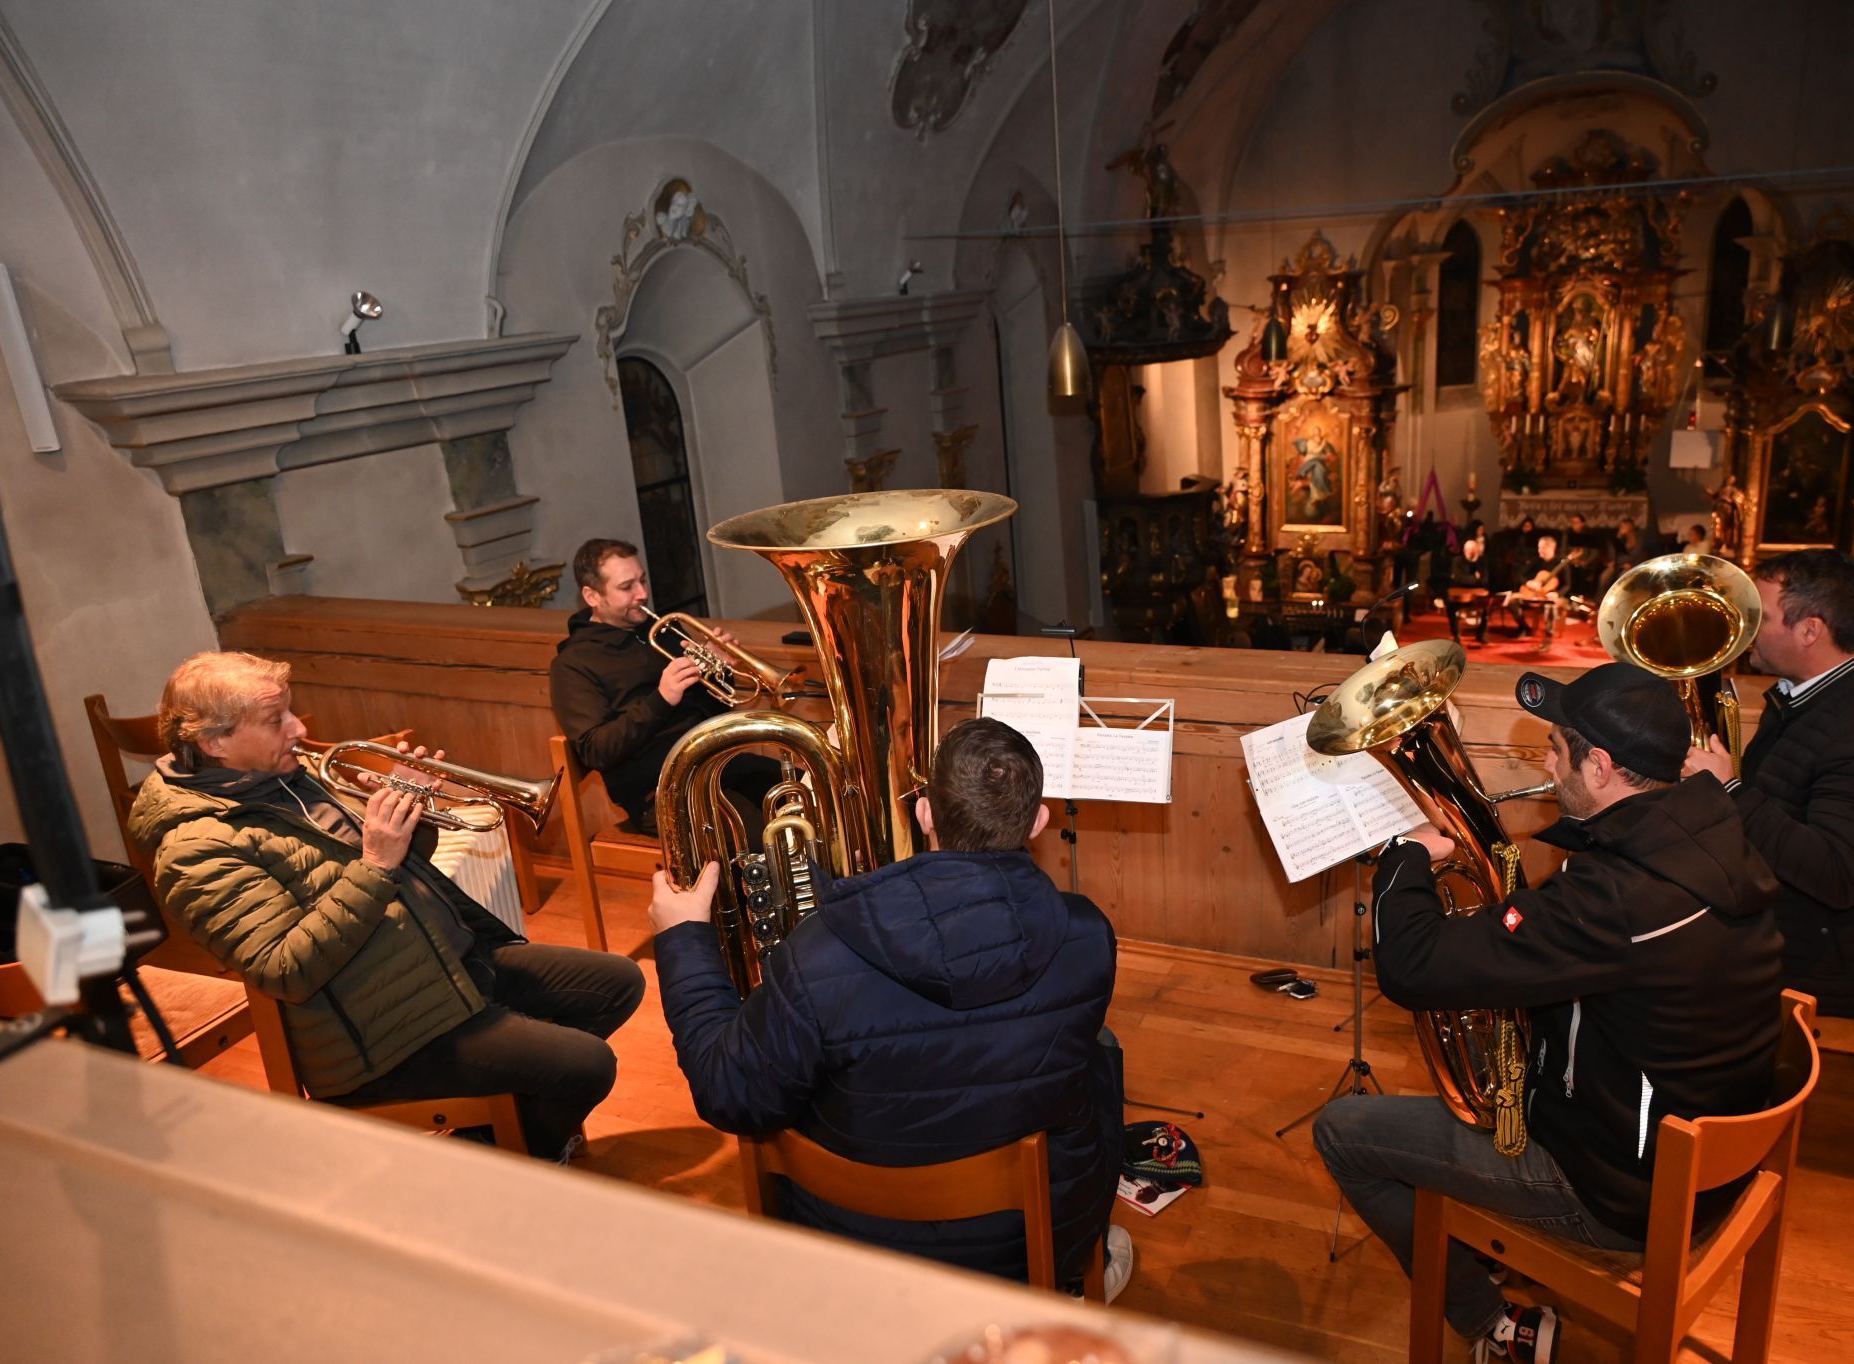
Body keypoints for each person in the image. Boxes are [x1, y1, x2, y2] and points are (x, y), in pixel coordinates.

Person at [1315, 662, 1781, 1362]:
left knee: (1344, 1132)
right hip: (1704, 1150)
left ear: (1600, 766)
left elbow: (1411, 969)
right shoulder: (1715, 824)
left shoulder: (1617, 898)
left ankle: (1489, 1324)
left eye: (1556, 748)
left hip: (1621, 1193)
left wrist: (1405, 857)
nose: (1545, 761)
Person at [648, 717, 1129, 1297]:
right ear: (1039, 820)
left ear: (923, 813)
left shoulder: (818, 949)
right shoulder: (1087, 934)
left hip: (852, 1235)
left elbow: (729, 1094)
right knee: (1101, 1057)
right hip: (1030, 1240)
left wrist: (683, 941)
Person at [128, 651, 645, 1161]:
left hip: (446, 963)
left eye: (289, 711)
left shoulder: (291, 773)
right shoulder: (193, 851)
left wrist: (409, 815)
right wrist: (374, 862)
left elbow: (405, 863)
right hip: (382, 1032)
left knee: (618, 983)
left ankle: (504, 1126)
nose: (298, 731)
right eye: (275, 720)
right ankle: (506, 1154)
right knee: (587, 1065)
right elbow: (284, 970)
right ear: (214, 741)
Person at [1683, 549, 1854, 1018]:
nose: (1742, 628)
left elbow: (1838, 877)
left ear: (1810, 630)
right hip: (1803, 926)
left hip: (1843, 966)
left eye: (1759, 616)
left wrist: (1730, 793)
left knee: (1648, 958)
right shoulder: (1813, 693)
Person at [550, 537, 776, 836]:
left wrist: (717, 672)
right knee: (751, 832)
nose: (642, 593)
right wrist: (662, 698)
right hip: (660, 791)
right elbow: (596, 750)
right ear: (592, 595)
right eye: (626, 586)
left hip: (716, 765)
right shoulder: (573, 664)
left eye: (642, 580)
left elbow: (715, 710)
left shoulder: (665, 630)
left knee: (805, 790)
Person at [1447, 536, 1494, 646]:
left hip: (1478, 594)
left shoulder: (1482, 561)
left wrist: (1469, 579)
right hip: (1459, 593)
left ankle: (1480, 635)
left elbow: (1485, 581)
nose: (1472, 554)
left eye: (1474, 551)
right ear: (1464, 551)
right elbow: (1458, 579)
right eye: (1469, 551)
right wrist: (1475, 578)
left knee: (1486, 606)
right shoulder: (1457, 561)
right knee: (1450, 607)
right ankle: (1457, 635)